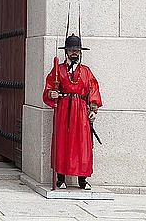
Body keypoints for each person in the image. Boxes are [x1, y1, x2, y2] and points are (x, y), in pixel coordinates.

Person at [43, 33, 102, 190]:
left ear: (80, 52)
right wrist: (52, 93)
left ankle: (82, 180)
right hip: (63, 109)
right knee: (62, 142)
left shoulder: (86, 71)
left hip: (81, 110)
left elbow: (93, 89)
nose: (74, 52)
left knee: (82, 143)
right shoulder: (58, 70)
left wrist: (93, 109)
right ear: (66, 51)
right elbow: (49, 87)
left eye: (76, 50)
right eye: (71, 50)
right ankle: (61, 179)